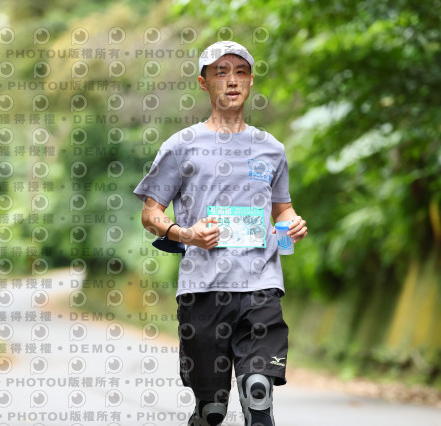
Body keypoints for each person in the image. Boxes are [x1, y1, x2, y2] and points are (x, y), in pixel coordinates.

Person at [133, 40, 307, 426]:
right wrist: (186, 234)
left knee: (258, 394)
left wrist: (292, 225)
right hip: (202, 290)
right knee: (211, 412)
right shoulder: (181, 146)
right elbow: (150, 214)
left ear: (250, 81)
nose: (232, 81)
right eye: (221, 73)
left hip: (261, 287)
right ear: (204, 83)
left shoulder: (271, 148)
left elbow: (282, 209)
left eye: (241, 72)